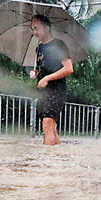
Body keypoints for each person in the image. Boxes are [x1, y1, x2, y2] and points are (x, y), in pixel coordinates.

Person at [29, 14, 74, 145]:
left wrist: (47, 78)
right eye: (32, 29)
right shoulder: (39, 49)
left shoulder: (58, 45)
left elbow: (68, 68)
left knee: (47, 122)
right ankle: (56, 157)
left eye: (36, 28)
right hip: (43, 92)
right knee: (50, 127)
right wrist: (35, 74)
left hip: (56, 90)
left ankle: (46, 160)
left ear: (47, 28)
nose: (34, 32)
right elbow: (41, 70)